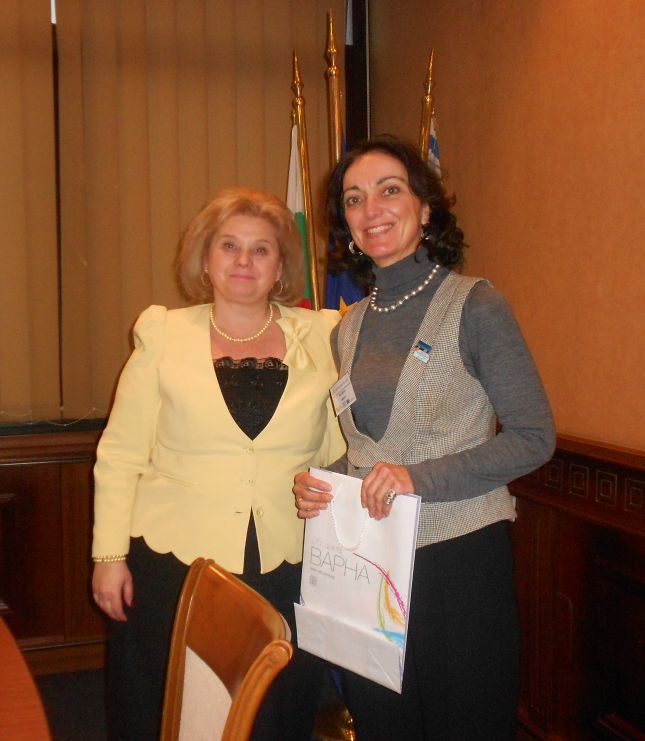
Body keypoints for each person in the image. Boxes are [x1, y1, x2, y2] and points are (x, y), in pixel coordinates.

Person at [293, 135, 556, 740]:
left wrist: (418, 479)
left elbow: (533, 436)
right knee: (383, 723)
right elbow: (369, 448)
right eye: (354, 199)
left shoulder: (476, 305)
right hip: (371, 559)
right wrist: (325, 483)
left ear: (426, 207)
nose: (372, 209)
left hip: (458, 563)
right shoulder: (349, 327)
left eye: (389, 190)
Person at [91, 187, 346, 741]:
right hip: (174, 561)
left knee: (274, 708)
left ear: (281, 266)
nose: (243, 260)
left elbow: (337, 447)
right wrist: (109, 556)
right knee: (174, 706)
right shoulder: (163, 333)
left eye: (261, 249)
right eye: (229, 246)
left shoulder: (324, 337)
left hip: (285, 560)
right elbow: (120, 454)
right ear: (205, 260)